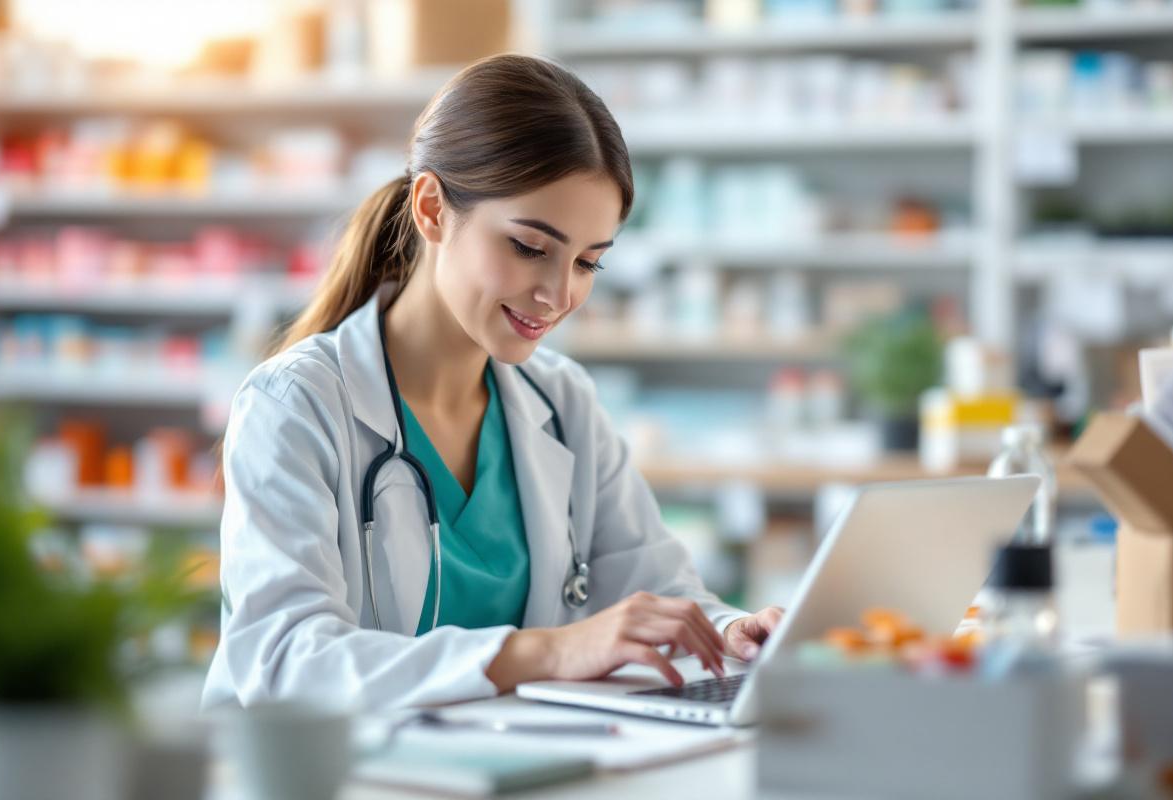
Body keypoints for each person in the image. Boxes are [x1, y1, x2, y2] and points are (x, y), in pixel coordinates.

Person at [202, 54, 783, 712]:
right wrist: (550, 651)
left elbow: (656, 591)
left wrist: (731, 631)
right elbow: (280, 659)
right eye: (531, 247)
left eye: (588, 262)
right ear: (431, 209)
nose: (559, 294)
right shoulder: (297, 405)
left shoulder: (561, 401)